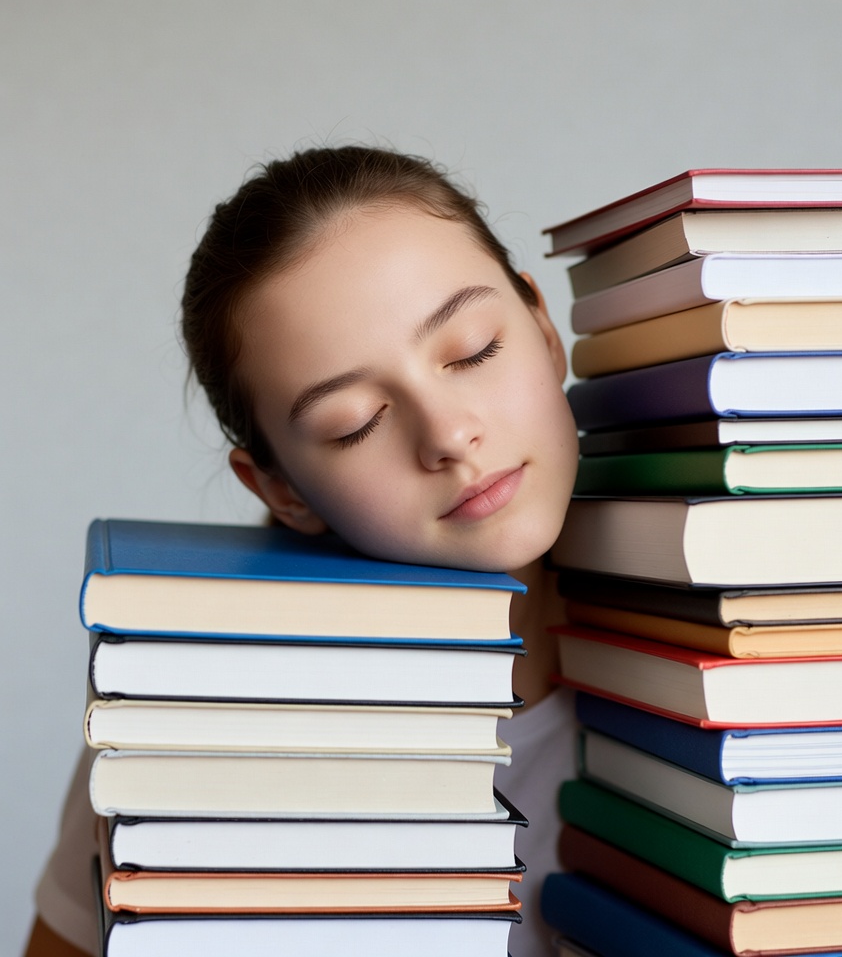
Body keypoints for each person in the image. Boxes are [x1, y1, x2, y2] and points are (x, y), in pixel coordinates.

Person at [25, 144, 582, 957]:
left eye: (473, 351)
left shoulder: (771, 633)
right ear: (280, 488)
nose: (450, 436)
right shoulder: (177, 714)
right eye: (353, 421)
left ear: (541, 324)